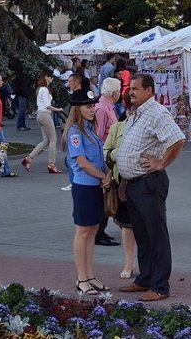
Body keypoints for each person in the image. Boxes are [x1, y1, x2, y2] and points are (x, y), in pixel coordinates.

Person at [117, 73, 186, 302]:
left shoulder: (157, 113)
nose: (131, 92)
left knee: (156, 236)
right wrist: (124, 178)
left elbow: (178, 140)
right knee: (142, 235)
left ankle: (160, 286)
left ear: (149, 90)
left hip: (149, 183)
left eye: (136, 88)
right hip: (134, 183)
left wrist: (161, 163)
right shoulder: (136, 113)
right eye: (130, 88)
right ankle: (145, 278)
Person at [65, 88, 112, 296]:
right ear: (78, 109)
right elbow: (83, 163)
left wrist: (106, 173)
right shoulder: (75, 132)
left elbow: (98, 159)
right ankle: (81, 278)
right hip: (84, 187)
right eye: (88, 106)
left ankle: (90, 275)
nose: (93, 110)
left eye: (93, 106)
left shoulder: (89, 130)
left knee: (93, 230)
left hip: (94, 186)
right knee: (83, 232)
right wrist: (103, 176)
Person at [105, 114, 137, 280]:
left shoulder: (148, 127)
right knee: (127, 225)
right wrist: (120, 152)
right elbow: (106, 153)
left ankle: (149, 265)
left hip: (144, 182)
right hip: (122, 183)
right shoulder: (117, 128)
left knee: (146, 226)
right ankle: (129, 264)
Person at [93, 76, 122, 247]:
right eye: (119, 91)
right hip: (104, 157)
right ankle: (98, 232)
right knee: (105, 194)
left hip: (109, 156)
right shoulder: (102, 108)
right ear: (114, 93)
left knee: (108, 193)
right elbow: (98, 135)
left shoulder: (108, 107)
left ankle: (101, 230)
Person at [22, 70, 64, 173]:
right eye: (51, 77)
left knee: (46, 140)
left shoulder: (40, 89)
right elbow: (47, 105)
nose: (52, 78)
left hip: (40, 115)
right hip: (45, 115)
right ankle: (51, 164)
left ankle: (29, 158)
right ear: (46, 77)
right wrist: (57, 109)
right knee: (53, 139)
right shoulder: (44, 89)